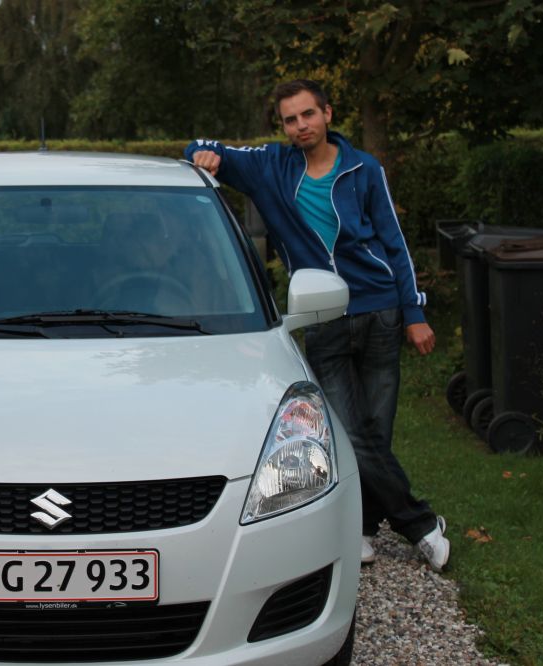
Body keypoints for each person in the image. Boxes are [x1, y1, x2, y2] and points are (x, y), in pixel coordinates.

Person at [185, 79, 450, 571]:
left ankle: (363, 526)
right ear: (283, 127)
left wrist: (414, 313)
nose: (300, 126)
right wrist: (200, 154)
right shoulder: (270, 167)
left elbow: (394, 243)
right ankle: (420, 524)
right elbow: (202, 145)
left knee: (376, 432)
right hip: (322, 315)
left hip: (380, 311)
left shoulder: (363, 169)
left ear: (327, 113)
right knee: (350, 432)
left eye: (308, 114)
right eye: (290, 119)